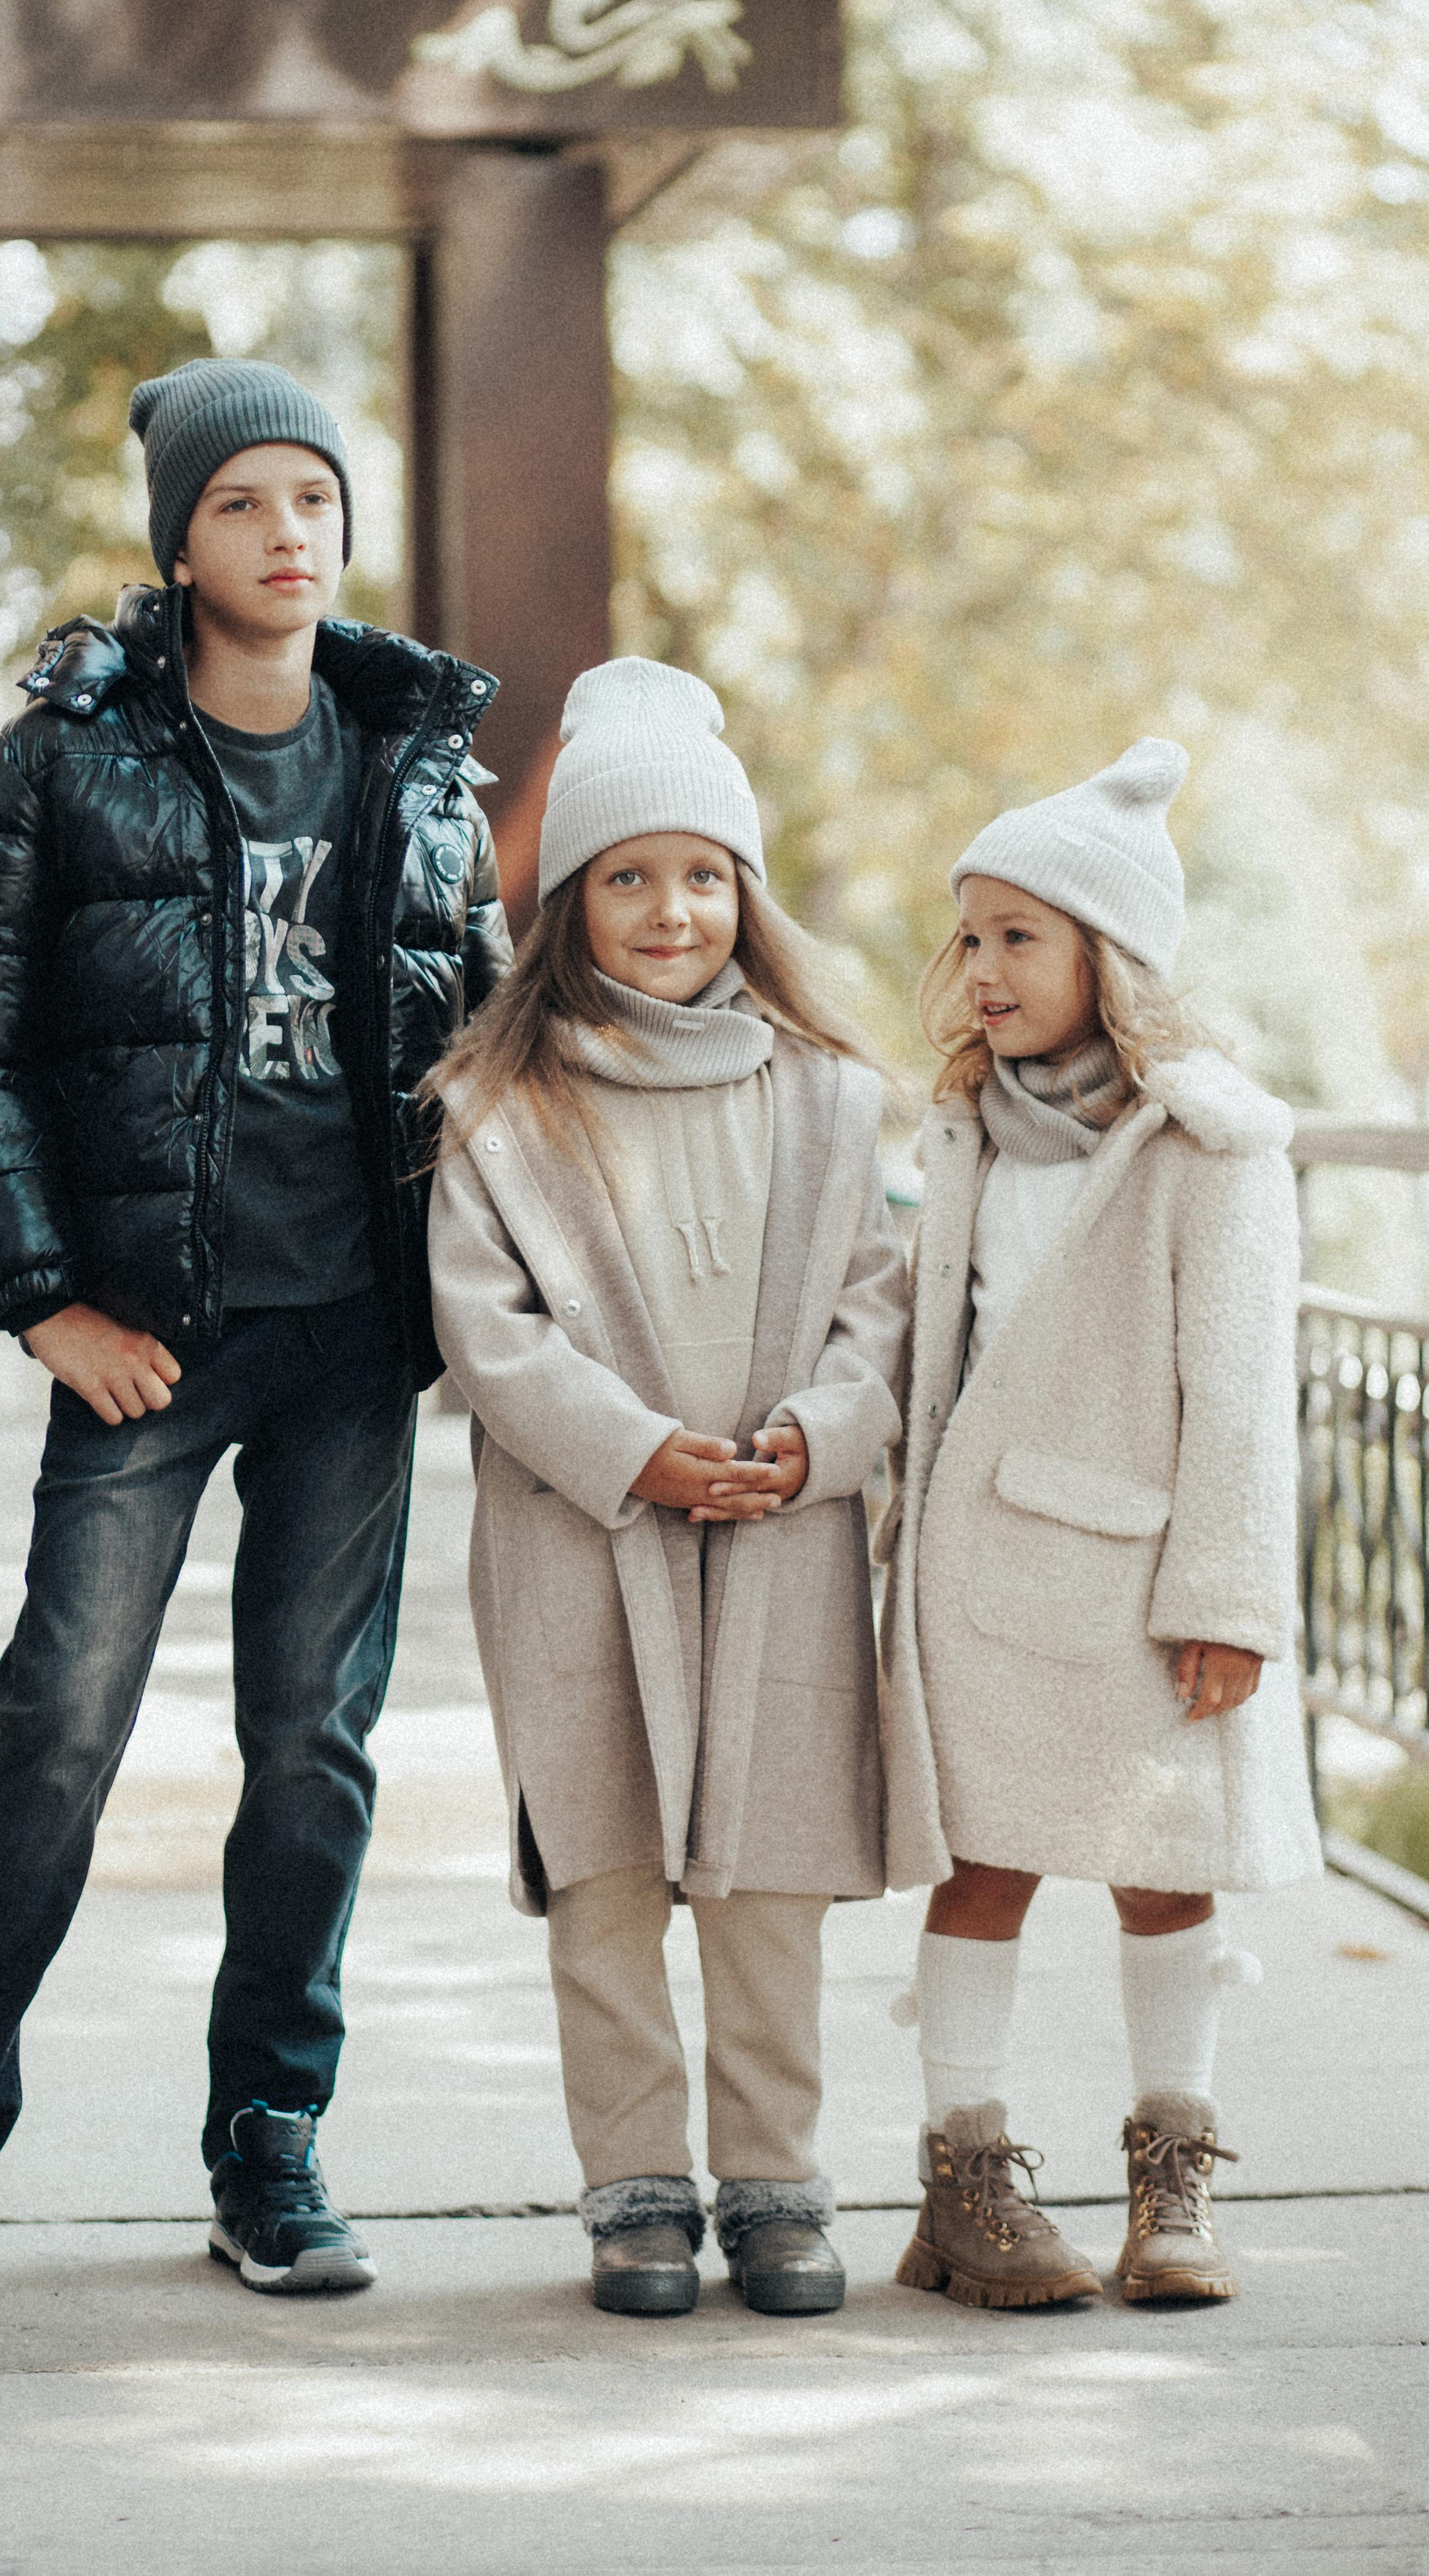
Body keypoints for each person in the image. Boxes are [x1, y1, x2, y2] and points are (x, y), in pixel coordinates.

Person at [0, 359, 510, 2312]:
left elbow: (499, 1044)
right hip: (147, 1339)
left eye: (317, 502)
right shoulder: (60, 758)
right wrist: (42, 1302)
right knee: (54, 1733)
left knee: (312, 1750)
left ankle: (271, 2143)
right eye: (249, 500)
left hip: (350, 1331)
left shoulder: (415, 756)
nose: (290, 533)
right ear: (179, 534)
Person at [424, 659, 909, 2317]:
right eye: (625, 876)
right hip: (580, 1537)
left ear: (743, 897)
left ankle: (774, 2182)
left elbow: (879, 1302)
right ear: (568, 900)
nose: (667, 907)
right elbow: (483, 1328)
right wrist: (631, 1447)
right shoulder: (501, 1105)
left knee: (771, 1875)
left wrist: (816, 1435)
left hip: (780, 1536)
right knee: (606, 1868)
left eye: (701, 874)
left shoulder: (830, 1098)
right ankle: (633, 2188)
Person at [877, 738, 1320, 2312]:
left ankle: (1171, 2173)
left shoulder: (1211, 1144)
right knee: (980, 1869)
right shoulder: (962, 1128)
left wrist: (1225, 1591)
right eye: (971, 936)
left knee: (1159, 1871)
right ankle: (963, 2173)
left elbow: (1239, 1389)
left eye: (1020, 936)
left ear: (1104, 955)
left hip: (1139, 1574)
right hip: (977, 1576)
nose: (983, 970)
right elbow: (930, 1340)